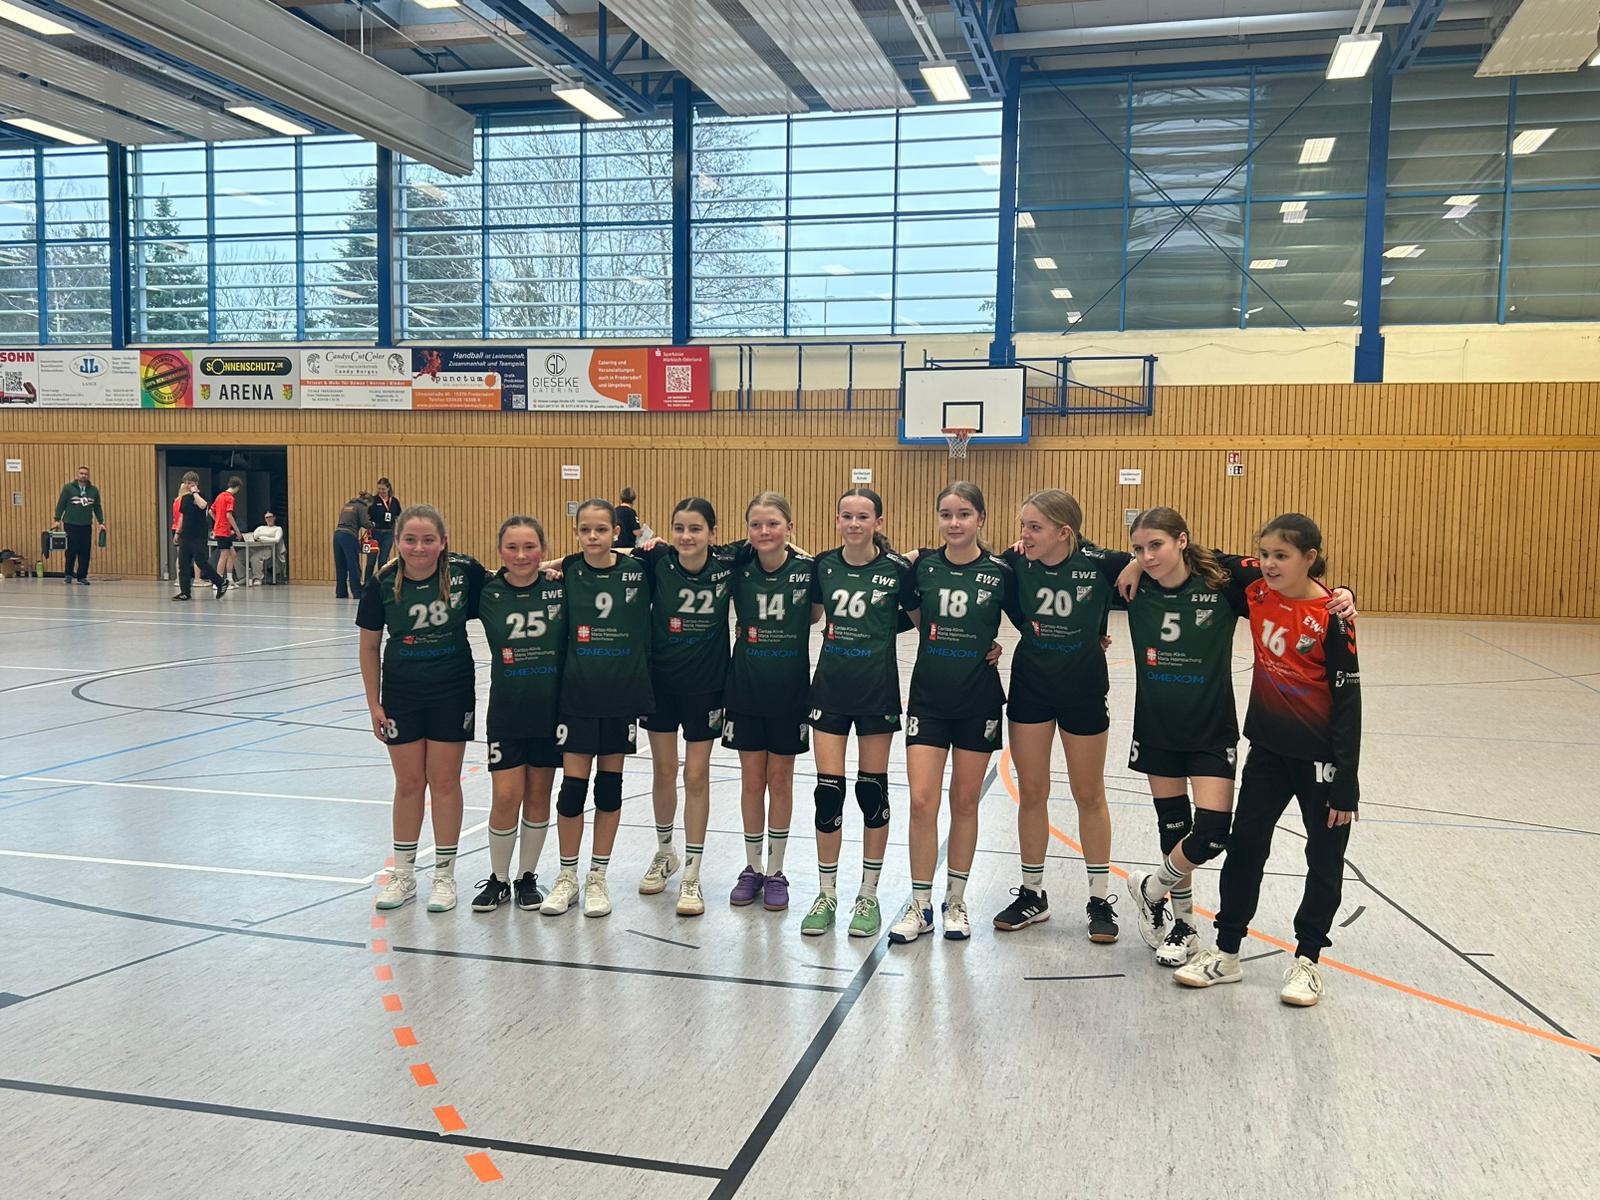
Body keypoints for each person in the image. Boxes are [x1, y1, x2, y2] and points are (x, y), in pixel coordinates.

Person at [1117, 507, 1355, 968]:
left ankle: (1151, 887)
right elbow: (1073, 558)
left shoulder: (1224, 583)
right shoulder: (1133, 580)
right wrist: (1131, 562)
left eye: (1156, 545)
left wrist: (1342, 593)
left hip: (1212, 729)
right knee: (1174, 829)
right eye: (1138, 549)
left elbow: (1293, 579)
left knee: (1211, 836)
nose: (1147, 556)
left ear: (1182, 541)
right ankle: (1185, 926)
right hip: (1157, 728)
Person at [1174, 514, 1361, 1006]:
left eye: (1282, 556)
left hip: (1321, 761)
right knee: (1245, 849)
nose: (1270, 564)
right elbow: (1204, 554)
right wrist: (1133, 565)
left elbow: (1349, 704)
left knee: (1324, 859)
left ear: (1310, 558)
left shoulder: (1333, 617)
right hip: (1268, 753)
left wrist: (1347, 780)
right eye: (1265, 554)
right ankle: (1227, 952)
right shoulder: (1257, 590)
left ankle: (1308, 961)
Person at [994, 490, 1132, 944]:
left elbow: (1158, 562)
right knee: (1032, 792)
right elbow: (973, 571)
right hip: (1032, 686)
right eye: (1023, 525)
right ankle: (1032, 893)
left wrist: (1136, 565)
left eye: (1034, 527)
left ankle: (1099, 899)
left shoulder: (1101, 563)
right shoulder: (1015, 562)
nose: (1024, 534)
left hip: (1083, 689)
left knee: (1088, 793)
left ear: (1064, 532)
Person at [890, 482, 1012, 945]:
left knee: (964, 801)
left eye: (963, 514)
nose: (954, 523)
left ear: (981, 518)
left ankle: (955, 901)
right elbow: (913, 615)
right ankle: (920, 904)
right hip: (929, 698)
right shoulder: (921, 567)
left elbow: (1036, 618)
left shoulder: (1001, 572)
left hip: (978, 699)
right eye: (946, 514)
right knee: (922, 801)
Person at [801, 487, 919, 939]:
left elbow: (925, 620)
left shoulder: (896, 570)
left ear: (878, 523)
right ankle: (826, 893)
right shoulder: (823, 566)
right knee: (828, 794)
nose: (854, 523)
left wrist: (987, 644)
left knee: (872, 792)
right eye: (846, 516)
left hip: (876, 692)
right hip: (830, 690)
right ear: (837, 521)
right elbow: (811, 616)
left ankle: (868, 894)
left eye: (863, 516)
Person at [360, 504, 487, 914]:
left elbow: (513, 580)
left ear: (443, 542)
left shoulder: (464, 573)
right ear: (397, 541)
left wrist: (554, 570)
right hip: (402, 693)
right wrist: (374, 704)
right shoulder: (381, 582)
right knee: (409, 783)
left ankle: (445, 876)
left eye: (428, 540)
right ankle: (403, 874)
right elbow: (369, 647)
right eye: (411, 540)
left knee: (445, 781)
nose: (419, 548)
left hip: (452, 689)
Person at [541, 498, 655, 919]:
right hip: (577, 694)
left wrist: (651, 543)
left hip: (621, 694)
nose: (593, 536)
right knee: (573, 788)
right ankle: (567, 875)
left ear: (616, 533)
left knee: (609, 787)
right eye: (585, 529)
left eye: (601, 529)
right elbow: (527, 568)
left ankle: (597, 877)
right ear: (576, 533)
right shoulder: (569, 569)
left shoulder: (638, 570)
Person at [632, 498, 735, 916]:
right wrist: (548, 567)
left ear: (712, 532)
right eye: (679, 528)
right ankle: (665, 852)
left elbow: (781, 544)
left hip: (706, 687)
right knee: (663, 770)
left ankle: (692, 871)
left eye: (695, 528)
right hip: (661, 683)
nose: (686, 536)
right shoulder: (657, 559)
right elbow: (605, 556)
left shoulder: (729, 561)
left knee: (695, 775)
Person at [722, 492, 816, 913]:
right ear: (747, 531)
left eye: (774, 523)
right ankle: (752, 868)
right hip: (745, 689)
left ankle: (776, 871)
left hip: (790, 692)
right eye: (756, 524)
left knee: (780, 781)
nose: (764, 531)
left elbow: (818, 614)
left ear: (789, 528)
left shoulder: (808, 571)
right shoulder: (738, 569)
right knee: (751, 782)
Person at [471, 516, 566, 913]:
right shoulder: (487, 591)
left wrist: (554, 567)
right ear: (499, 552)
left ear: (543, 550)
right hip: (507, 709)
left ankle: (527, 877)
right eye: (512, 547)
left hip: (550, 711)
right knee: (506, 795)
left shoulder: (560, 588)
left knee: (539, 794)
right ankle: (499, 878)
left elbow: (603, 558)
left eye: (530, 547)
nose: (522, 555)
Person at [171, 473, 228, 602]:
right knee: (183, 564)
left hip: (198, 536)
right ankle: (185, 592)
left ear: (195, 483)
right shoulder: (184, 498)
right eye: (186, 483)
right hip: (185, 535)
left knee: (201, 562)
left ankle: (221, 582)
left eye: (189, 483)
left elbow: (203, 506)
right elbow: (182, 516)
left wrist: (195, 493)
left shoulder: (202, 496)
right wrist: (177, 532)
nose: (187, 485)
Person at [52, 465, 105, 585]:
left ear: (88, 476)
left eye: (85, 474)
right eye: (81, 473)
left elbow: (97, 507)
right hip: (71, 524)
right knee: (71, 550)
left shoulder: (93, 490)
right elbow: (61, 504)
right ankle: (68, 574)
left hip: (86, 525)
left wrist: (101, 522)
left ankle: (82, 576)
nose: (83, 476)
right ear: (77, 475)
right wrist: (57, 519)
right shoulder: (68, 488)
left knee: (85, 551)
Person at [334, 491, 373, 599]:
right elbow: (365, 523)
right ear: (368, 501)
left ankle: (341, 592)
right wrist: (373, 524)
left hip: (337, 535)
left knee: (340, 565)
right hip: (349, 536)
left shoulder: (347, 505)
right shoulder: (362, 506)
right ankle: (357, 592)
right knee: (353, 564)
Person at [367, 478, 401, 584]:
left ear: (388, 488)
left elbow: (398, 516)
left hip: (388, 534)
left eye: (383, 489)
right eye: (379, 489)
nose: (381, 491)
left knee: (383, 561)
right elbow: (367, 516)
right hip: (375, 533)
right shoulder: (373, 500)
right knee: (371, 561)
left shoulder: (394, 501)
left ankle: (380, 585)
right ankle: (367, 584)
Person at [211, 476, 244, 582]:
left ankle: (229, 580)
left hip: (222, 530)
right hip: (224, 531)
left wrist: (217, 520)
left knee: (232, 554)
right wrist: (237, 531)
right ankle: (219, 581)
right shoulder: (230, 498)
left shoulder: (220, 496)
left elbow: (211, 511)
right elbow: (229, 516)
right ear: (237, 487)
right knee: (224, 555)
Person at [245, 512, 287, 584]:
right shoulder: (260, 528)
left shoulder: (278, 529)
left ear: (274, 518)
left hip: (269, 549)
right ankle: (243, 577)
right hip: (255, 548)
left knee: (254, 558)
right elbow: (253, 536)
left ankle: (257, 578)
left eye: (270, 517)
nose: (269, 519)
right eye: (267, 517)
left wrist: (263, 538)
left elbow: (276, 540)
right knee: (238, 556)